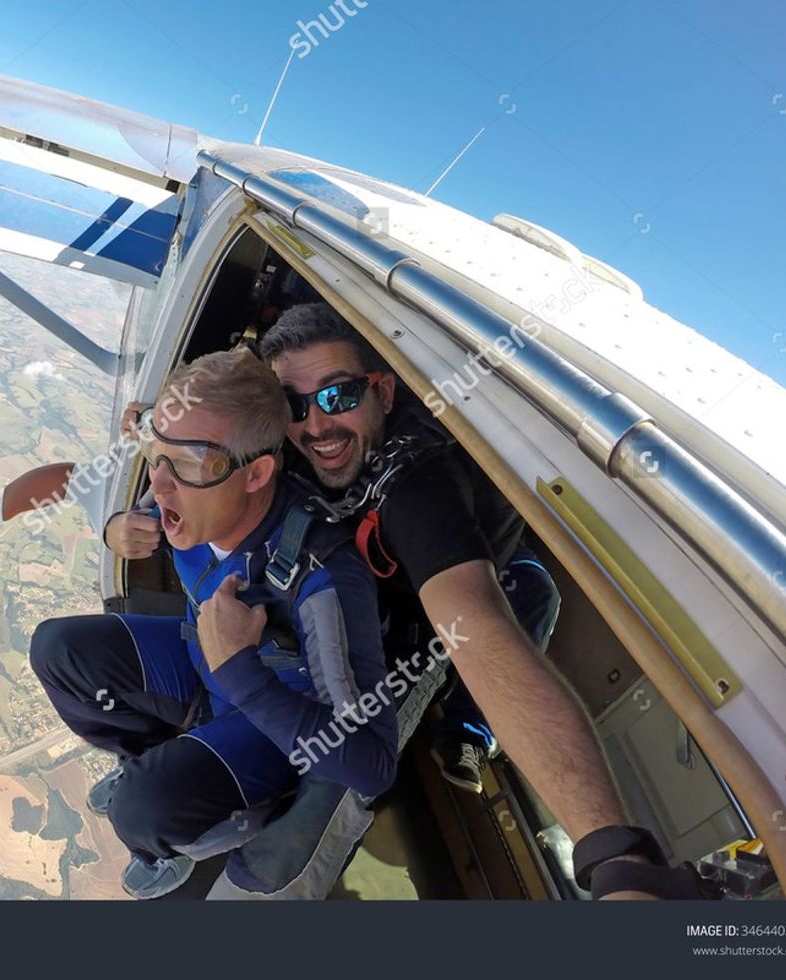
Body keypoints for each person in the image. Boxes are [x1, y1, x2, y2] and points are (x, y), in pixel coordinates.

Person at [254, 302, 710, 900]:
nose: (316, 425)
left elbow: (479, 623)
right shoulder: (292, 438)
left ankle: (466, 730)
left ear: (384, 395)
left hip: (458, 580)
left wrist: (616, 859)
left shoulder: (416, 482)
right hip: (376, 589)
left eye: (339, 396)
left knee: (525, 599)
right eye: (295, 405)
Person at [30, 347, 396, 899]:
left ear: (257, 475)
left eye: (190, 463)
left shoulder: (323, 579)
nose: (160, 485)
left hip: (271, 719)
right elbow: (171, 470)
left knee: (141, 812)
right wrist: (115, 527)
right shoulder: (191, 492)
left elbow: (371, 765)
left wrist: (243, 673)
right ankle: (153, 759)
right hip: (205, 664)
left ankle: (184, 840)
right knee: (57, 648)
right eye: (158, 456)